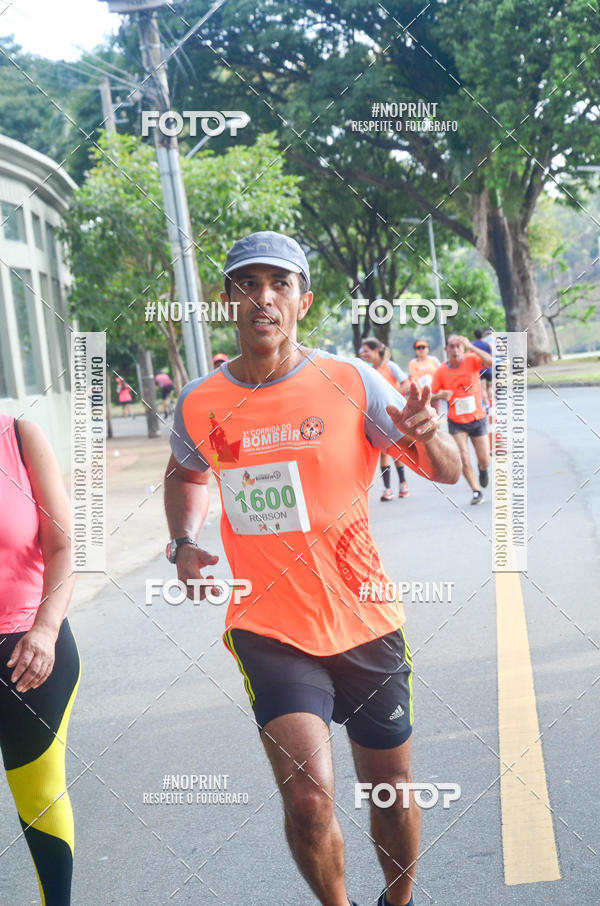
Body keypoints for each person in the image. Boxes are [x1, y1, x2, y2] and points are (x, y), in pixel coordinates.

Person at [164, 230, 461, 906]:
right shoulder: (200, 402)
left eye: (279, 284)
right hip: (268, 624)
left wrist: (427, 432)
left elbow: (445, 471)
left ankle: (398, 900)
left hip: (364, 618)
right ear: (228, 300)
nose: (262, 297)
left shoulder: (351, 381)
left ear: (303, 301)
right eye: (246, 284)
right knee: (307, 799)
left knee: (389, 793)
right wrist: (182, 540)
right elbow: (184, 474)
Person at [0, 414, 80, 906]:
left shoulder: (18, 436)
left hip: (29, 651)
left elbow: (65, 544)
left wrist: (46, 630)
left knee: (40, 796)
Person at [431, 334, 493, 505]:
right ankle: (476, 491)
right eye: (452, 346)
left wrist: (471, 347)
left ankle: (483, 469)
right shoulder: (441, 371)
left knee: (484, 459)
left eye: (459, 346)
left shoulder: (472, 359)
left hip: (477, 418)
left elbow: (491, 362)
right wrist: (440, 395)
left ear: (463, 348)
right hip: (456, 421)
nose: (456, 349)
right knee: (463, 457)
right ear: (447, 349)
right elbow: (429, 395)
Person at [358, 337, 411, 499]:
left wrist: (390, 396)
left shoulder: (390, 366)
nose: (363, 353)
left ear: (375, 351)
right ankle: (387, 488)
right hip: (377, 416)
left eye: (366, 350)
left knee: (395, 450)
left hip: (394, 415)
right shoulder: (370, 370)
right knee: (383, 451)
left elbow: (406, 384)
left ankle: (402, 482)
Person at [472, 328, 493, 408]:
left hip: (480, 370)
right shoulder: (487, 344)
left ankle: (487, 404)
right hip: (488, 369)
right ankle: (491, 402)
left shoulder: (473, 345)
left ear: (475, 336)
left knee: (483, 388)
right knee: (490, 387)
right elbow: (492, 355)